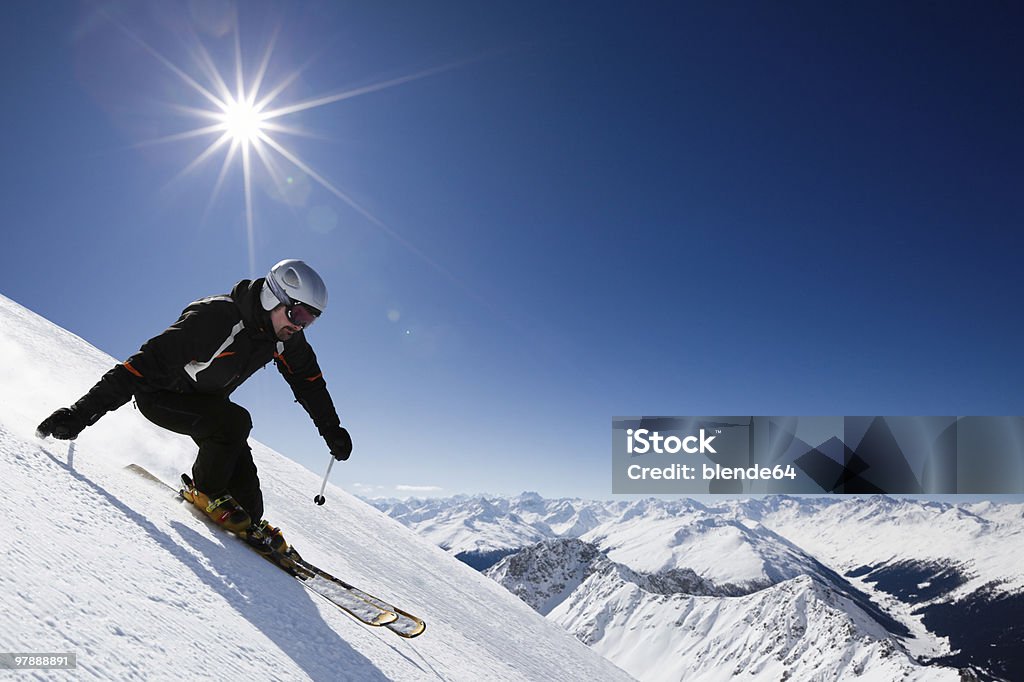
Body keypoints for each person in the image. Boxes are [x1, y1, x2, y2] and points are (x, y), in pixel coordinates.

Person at [36, 259, 353, 551]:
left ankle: (246, 518)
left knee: (249, 508)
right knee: (235, 422)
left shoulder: (283, 338)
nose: (300, 325)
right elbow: (139, 367)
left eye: (310, 320)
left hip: (207, 405)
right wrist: (80, 413)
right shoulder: (215, 318)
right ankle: (206, 492)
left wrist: (331, 430)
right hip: (160, 395)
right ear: (274, 298)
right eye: (298, 314)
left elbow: (309, 382)